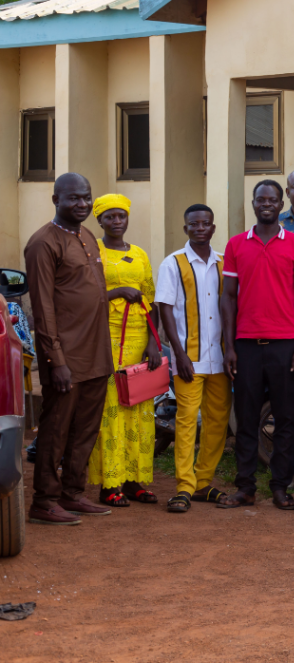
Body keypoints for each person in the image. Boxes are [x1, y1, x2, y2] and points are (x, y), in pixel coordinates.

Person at [24, 173, 114, 524]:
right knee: (57, 428)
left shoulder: (87, 235)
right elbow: (43, 307)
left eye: (86, 197)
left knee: (85, 428)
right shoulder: (42, 243)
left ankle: (72, 493)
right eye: (73, 198)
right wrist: (55, 360)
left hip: (96, 354)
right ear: (56, 200)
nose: (82, 204)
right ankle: (44, 501)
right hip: (65, 358)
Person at [219, 180, 294, 510]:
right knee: (245, 420)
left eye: (273, 199)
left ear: (281, 202)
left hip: (285, 345)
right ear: (253, 203)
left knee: (286, 419)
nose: (267, 204)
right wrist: (228, 346)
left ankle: (279, 487)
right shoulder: (235, 245)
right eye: (261, 200)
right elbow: (228, 297)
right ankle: (245, 487)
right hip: (245, 345)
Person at [155, 204, 233, 513]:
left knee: (217, 423)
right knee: (187, 422)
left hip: (220, 359)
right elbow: (165, 309)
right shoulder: (173, 263)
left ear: (213, 227)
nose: (200, 228)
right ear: (186, 228)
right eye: (194, 224)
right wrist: (178, 353)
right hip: (189, 360)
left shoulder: (224, 264)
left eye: (206, 223)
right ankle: (184, 486)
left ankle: (203, 482)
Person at [88, 194, 164, 507]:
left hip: (137, 343)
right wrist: (117, 291)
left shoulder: (141, 255)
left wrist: (152, 342)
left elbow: (151, 300)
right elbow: (84, 297)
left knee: (139, 412)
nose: (117, 221)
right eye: (110, 217)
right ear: (100, 221)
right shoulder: (93, 253)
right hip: (105, 341)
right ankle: (110, 484)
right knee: (111, 412)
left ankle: (133, 480)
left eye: (121, 216)